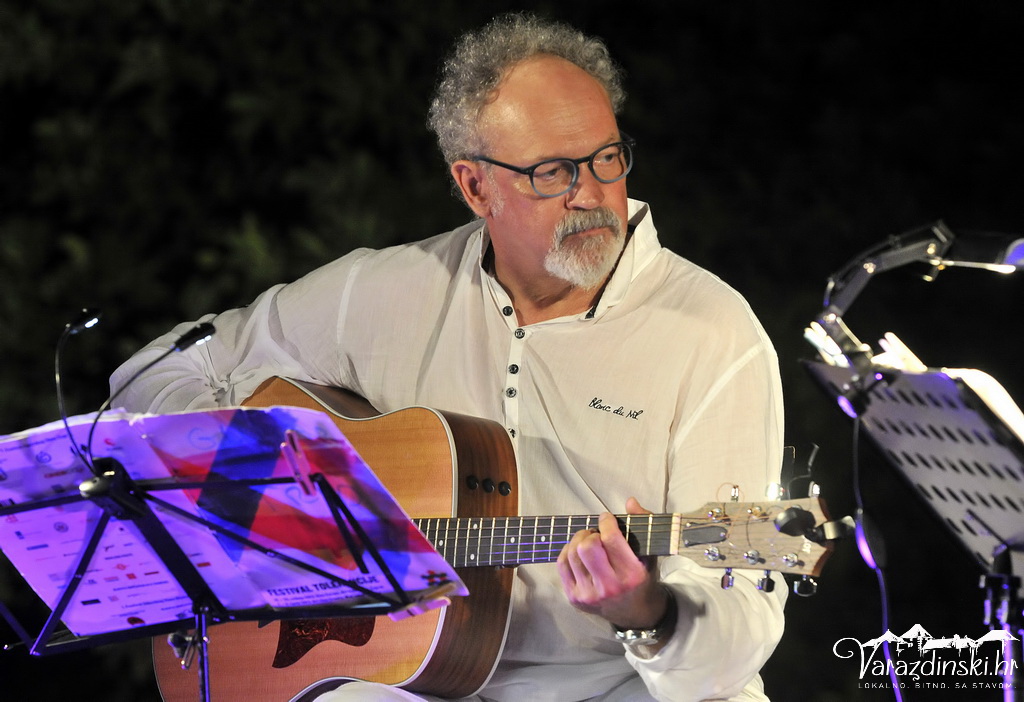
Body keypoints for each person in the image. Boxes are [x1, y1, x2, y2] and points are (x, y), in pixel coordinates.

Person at [111, 13, 786, 702]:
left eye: (607, 158)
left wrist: (650, 616)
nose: (591, 193)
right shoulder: (387, 291)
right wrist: (252, 488)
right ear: (474, 187)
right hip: (419, 681)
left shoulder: (713, 332)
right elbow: (155, 372)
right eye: (553, 172)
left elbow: (741, 612)